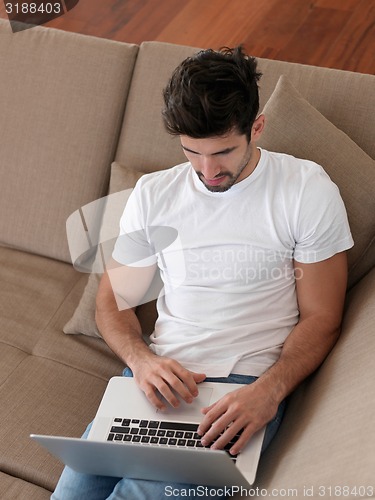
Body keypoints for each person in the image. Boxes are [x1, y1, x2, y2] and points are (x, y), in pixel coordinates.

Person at [52, 46, 353, 499]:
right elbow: (114, 301)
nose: (208, 172)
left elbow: (322, 316)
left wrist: (268, 394)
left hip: (241, 392)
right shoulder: (154, 195)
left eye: (223, 152)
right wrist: (141, 362)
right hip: (153, 383)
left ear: (257, 127)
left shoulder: (305, 191)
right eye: (192, 152)